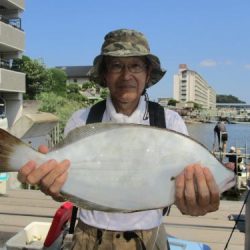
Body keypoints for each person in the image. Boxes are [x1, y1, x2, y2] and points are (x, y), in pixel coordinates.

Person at [17, 29, 220, 250]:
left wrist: (194, 203)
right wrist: (53, 187)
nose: (126, 76)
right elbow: (66, 185)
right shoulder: (82, 119)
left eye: (135, 66)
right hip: (88, 236)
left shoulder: (170, 122)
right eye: (116, 66)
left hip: (149, 236)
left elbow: (180, 190)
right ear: (105, 74)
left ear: (147, 72)